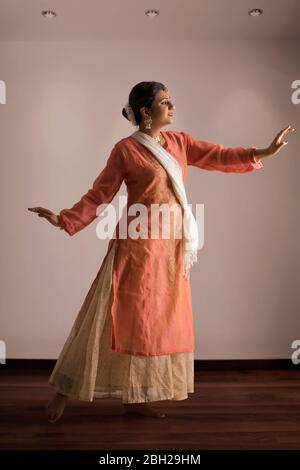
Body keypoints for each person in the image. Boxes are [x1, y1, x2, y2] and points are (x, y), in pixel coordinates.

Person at [28, 81, 295, 422]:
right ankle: (62, 396)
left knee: (154, 325)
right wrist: (64, 218)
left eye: (171, 100)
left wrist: (262, 153)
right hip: (135, 248)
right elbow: (100, 194)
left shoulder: (179, 143)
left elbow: (219, 155)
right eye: (165, 101)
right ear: (145, 112)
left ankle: (137, 399)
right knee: (105, 321)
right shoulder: (126, 150)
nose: (172, 106)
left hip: (171, 251)